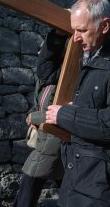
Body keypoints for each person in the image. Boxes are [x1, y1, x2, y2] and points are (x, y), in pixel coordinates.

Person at [46, 0, 110, 206]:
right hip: (79, 172)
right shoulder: (93, 53)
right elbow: (47, 75)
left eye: (81, 30)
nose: (76, 38)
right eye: (74, 30)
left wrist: (65, 114)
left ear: (104, 25)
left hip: (104, 181)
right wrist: (55, 37)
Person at [13, 29, 68, 206]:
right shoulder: (46, 80)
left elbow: (62, 109)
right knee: (64, 183)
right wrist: (32, 113)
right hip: (46, 139)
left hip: (55, 139)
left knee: (31, 180)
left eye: (42, 52)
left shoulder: (65, 78)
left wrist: (35, 117)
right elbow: (40, 103)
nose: (39, 55)